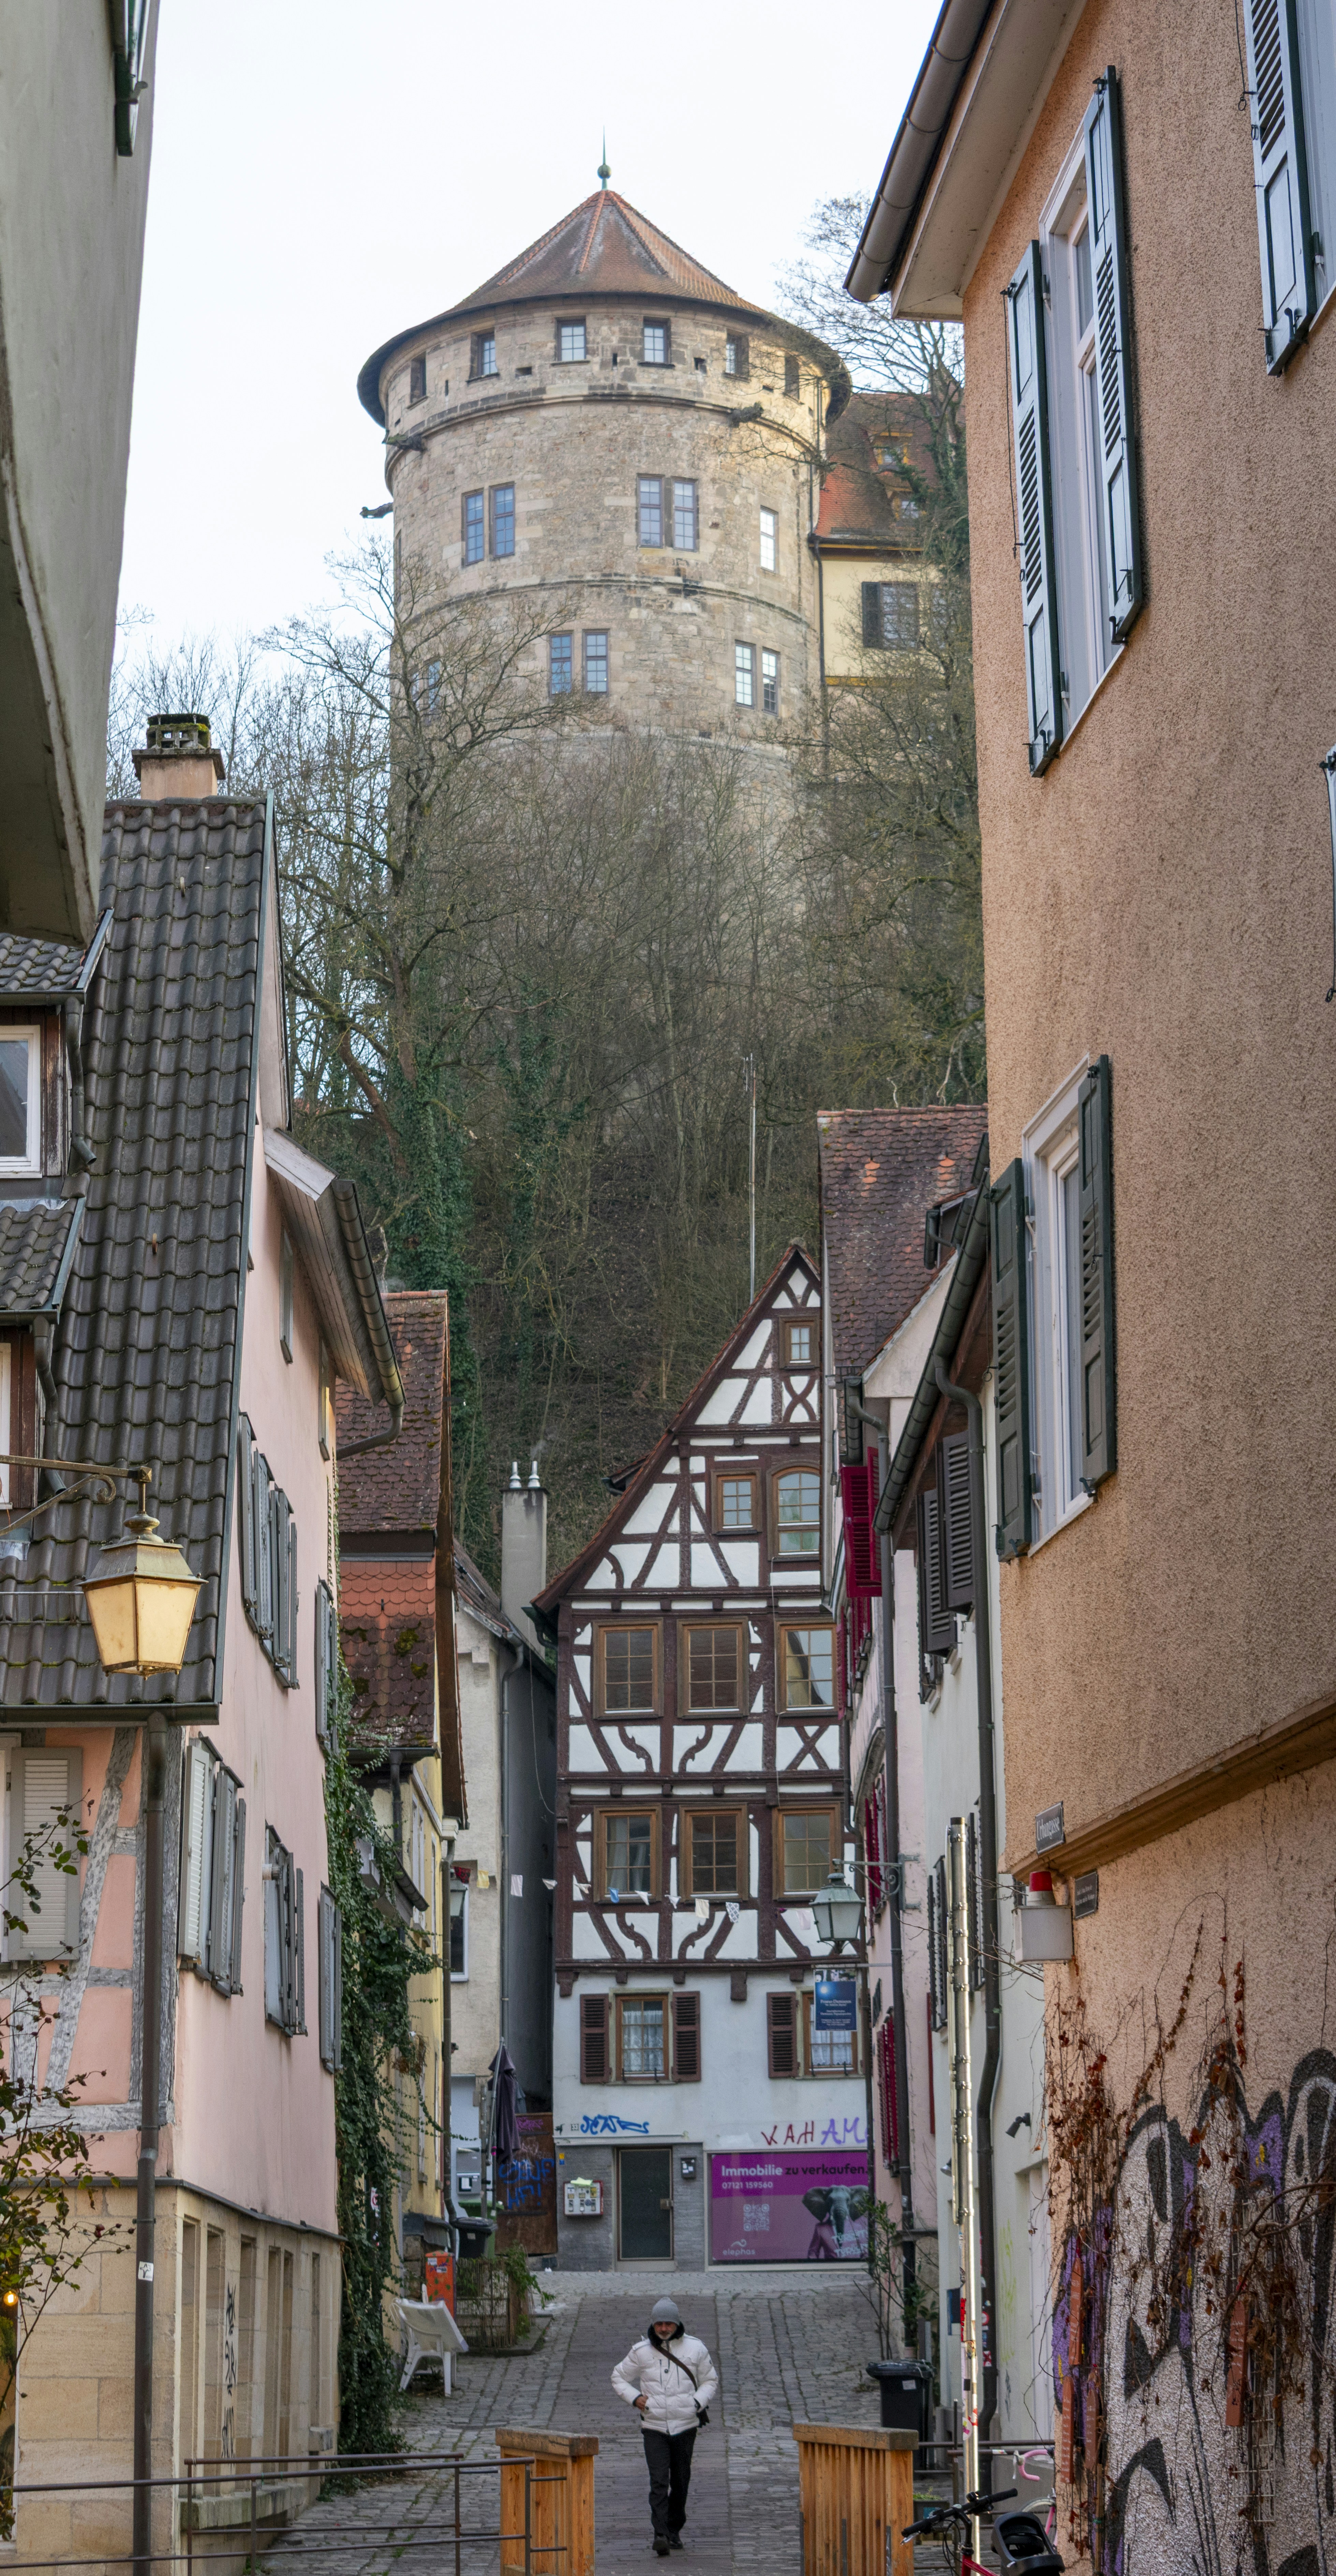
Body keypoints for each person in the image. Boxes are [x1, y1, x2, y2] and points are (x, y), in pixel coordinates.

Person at [612, 2295, 718, 2555]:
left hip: (686, 2425)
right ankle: (660, 2534)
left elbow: (710, 2381)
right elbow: (618, 2376)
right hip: (655, 2426)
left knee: (681, 2481)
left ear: (677, 2322)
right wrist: (635, 2398)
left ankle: (674, 2529)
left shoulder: (696, 2348)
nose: (663, 2328)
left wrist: (696, 2403)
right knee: (659, 2481)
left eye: (668, 2323)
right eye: (659, 2323)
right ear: (653, 2323)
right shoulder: (641, 2351)